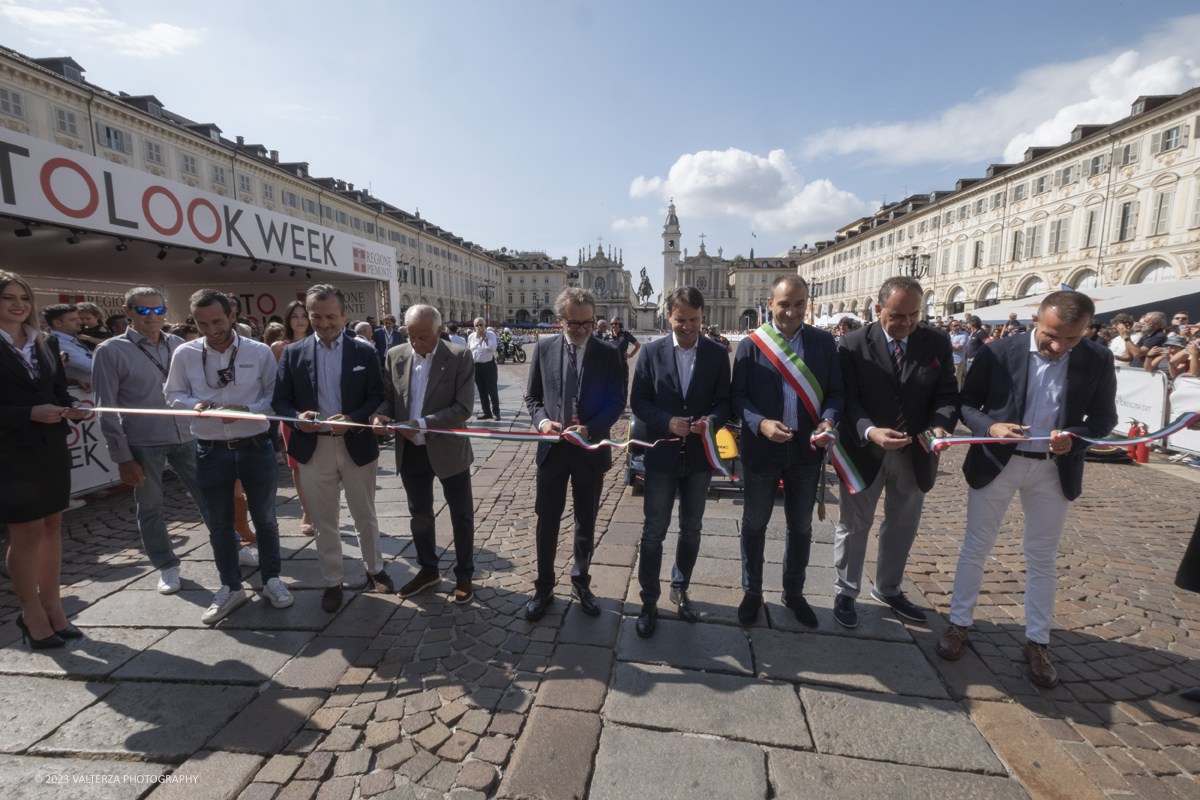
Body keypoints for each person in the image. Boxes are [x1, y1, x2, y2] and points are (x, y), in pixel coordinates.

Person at [935, 291, 1118, 688]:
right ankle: (959, 624)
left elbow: (1104, 419)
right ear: (1037, 318)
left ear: (1085, 330)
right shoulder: (999, 351)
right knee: (976, 544)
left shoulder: (1097, 357)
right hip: (1000, 462)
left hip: (1053, 469)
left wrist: (1077, 437)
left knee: (1042, 555)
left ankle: (1038, 641)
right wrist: (990, 428)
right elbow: (967, 404)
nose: (1058, 346)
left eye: (1071, 339)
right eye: (1052, 335)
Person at [832, 277, 958, 628]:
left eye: (913, 315)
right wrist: (870, 430)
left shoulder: (935, 342)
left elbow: (947, 394)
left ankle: (888, 588)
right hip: (864, 449)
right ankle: (846, 590)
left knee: (903, 523)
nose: (905, 323)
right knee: (854, 524)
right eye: (896, 315)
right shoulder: (852, 344)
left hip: (915, 451)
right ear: (878, 309)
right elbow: (848, 399)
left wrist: (940, 426)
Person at [164, 289, 292, 624]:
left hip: (255, 447)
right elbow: (172, 394)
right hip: (210, 450)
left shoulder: (259, 351)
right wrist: (194, 405)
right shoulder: (186, 353)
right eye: (202, 322)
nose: (211, 329)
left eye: (217, 321)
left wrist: (246, 411)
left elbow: (274, 398)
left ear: (232, 315)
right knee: (219, 524)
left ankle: (272, 579)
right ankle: (231, 586)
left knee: (265, 519)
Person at [93, 287, 228, 595]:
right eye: (143, 310)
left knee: (210, 497)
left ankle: (230, 546)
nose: (152, 316)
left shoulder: (180, 344)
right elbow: (105, 408)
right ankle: (166, 564)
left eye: (158, 310)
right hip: (144, 441)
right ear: (128, 312)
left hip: (188, 434)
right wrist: (122, 457)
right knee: (151, 507)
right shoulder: (110, 351)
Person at [732, 275, 842, 627]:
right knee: (754, 524)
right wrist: (760, 422)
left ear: (806, 303)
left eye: (798, 304)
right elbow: (738, 396)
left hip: (806, 452)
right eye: (784, 304)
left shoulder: (824, 343)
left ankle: (793, 593)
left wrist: (828, 421)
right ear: (770, 304)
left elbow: (837, 392)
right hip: (763, 450)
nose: (791, 311)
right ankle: (752, 591)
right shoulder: (752, 345)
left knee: (801, 526)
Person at [275, 285, 391, 613]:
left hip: (355, 443)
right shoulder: (293, 353)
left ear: (343, 315)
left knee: (364, 514)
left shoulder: (364, 351)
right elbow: (279, 400)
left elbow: (378, 394)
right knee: (325, 520)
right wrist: (298, 418)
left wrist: (355, 418)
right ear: (307, 316)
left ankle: (375, 570)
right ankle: (332, 580)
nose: (323, 323)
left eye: (330, 316)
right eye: (316, 316)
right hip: (314, 448)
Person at [630, 287, 731, 637]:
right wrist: (665, 420)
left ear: (703, 317)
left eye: (694, 320)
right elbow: (639, 401)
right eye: (680, 320)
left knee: (691, 528)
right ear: (668, 316)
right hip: (662, 454)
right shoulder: (652, 352)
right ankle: (648, 600)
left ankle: (680, 586)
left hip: (700, 458)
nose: (687, 327)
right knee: (654, 531)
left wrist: (711, 420)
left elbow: (725, 402)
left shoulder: (717, 355)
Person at [523, 288, 625, 621]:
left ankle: (581, 582)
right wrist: (541, 423)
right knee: (547, 521)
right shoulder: (543, 347)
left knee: (586, 521)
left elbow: (616, 403)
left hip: (589, 451)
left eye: (587, 323)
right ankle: (544, 587)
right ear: (559, 320)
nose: (581, 330)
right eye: (574, 323)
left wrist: (591, 429)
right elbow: (534, 398)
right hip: (552, 450)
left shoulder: (609, 353)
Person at [0, 271, 88, 648]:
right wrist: (28, 414)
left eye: (23, 296)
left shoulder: (46, 341)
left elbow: (55, 391)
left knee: (53, 525)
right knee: (26, 532)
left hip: (50, 447)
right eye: (8, 297)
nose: (19, 304)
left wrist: (74, 408)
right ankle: (30, 611)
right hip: (9, 452)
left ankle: (54, 606)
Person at [372, 305, 478, 603]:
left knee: (461, 515)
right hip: (411, 451)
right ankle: (428, 569)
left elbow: (463, 407)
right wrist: (379, 417)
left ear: (439, 330)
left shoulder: (458, 356)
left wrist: (421, 424)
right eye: (411, 336)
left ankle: (464, 573)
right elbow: (388, 400)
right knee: (419, 515)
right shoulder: (395, 355)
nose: (417, 343)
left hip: (448, 448)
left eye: (423, 337)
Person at [272, 300, 314, 534]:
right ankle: (306, 510)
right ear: (287, 320)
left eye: (304, 316)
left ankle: (326, 508)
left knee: (324, 463)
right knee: (297, 465)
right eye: (295, 316)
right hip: (291, 413)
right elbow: (274, 385)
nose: (300, 320)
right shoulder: (279, 347)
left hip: (318, 411)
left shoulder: (318, 343)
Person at [42, 304, 93, 392]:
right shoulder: (56, 341)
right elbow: (87, 365)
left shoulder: (75, 338)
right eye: (73, 319)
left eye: (78, 318)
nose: (80, 322)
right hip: (75, 393)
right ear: (57, 322)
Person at [468, 317, 500, 420]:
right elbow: (469, 351)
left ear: (485, 325)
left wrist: (485, 337)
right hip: (476, 366)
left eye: (481, 325)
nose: (479, 327)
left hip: (488, 365)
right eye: (476, 325)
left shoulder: (491, 335)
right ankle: (486, 412)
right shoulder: (471, 336)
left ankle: (496, 412)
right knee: (481, 390)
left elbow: (493, 348)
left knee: (492, 390)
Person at [609, 317, 641, 398]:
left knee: (623, 386)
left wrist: (631, 355)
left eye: (616, 323)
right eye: (612, 324)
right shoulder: (607, 336)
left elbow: (637, 345)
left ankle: (622, 405)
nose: (614, 325)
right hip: (611, 366)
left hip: (622, 365)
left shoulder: (626, 334)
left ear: (620, 324)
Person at [949, 319, 969, 388]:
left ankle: (956, 395)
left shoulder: (964, 334)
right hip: (949, 360)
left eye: (959, 325)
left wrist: (948, 348)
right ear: (951, 327)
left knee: (956, 378)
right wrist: (952, 347)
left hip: (958, 360)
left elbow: (959, 347)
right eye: (955, 325)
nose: (957, 327)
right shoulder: (948, 335)